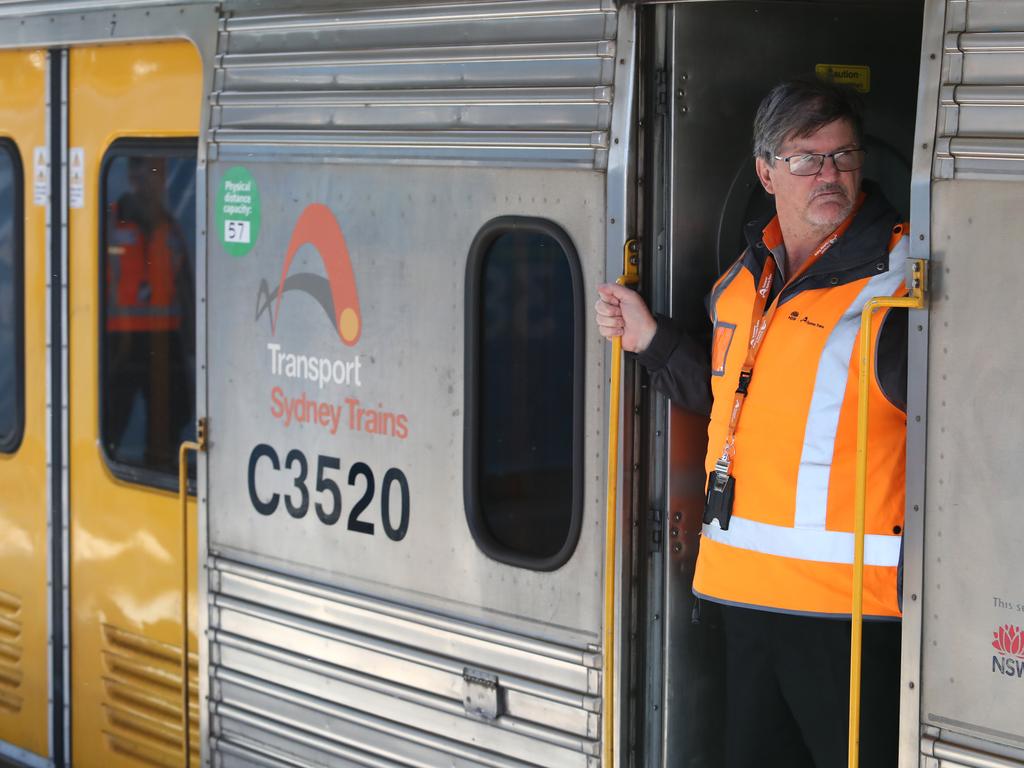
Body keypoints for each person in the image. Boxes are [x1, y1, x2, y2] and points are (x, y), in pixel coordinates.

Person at [595, 80, 907, 767]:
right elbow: (736, 406)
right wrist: (652, 341)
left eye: (843, 155)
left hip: (847, 618)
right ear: (766, 172)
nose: (829, 174)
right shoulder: (742, 284)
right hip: (745, 601)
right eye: (805, 158)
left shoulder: (898, 285)